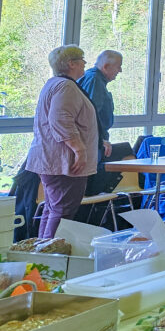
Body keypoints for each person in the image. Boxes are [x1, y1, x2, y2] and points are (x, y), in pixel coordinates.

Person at [26, 45, 98, 238]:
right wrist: (79, 150)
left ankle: (42, 255)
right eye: (82, 59)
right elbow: (60, 119)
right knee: (62, 212)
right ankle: (50, 258)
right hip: (63, 161)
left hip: (52, 158)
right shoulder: (65, 86)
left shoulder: (55, 84)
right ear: (71, 63)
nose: (85, 63)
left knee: (54, 209)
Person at [77, 50, 122, 196]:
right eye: (118, 66)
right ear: (107, 66)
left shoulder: (95, 79)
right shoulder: (94, 80)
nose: (120, 70)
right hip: (92, 142)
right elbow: (90, 114)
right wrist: (100, 139)